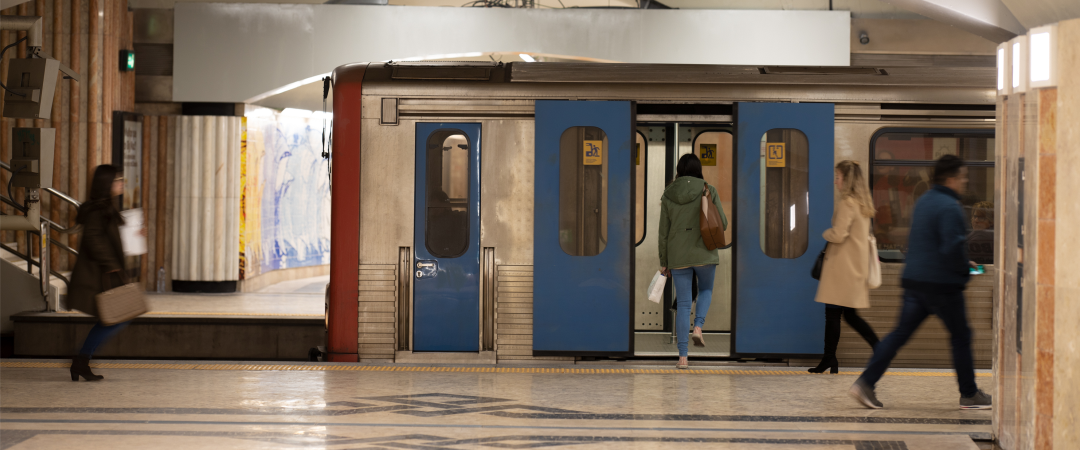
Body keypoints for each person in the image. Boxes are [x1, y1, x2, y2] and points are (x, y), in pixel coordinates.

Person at [848, 155, 992, 410]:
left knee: (898, 335)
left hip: (914, 282)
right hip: (942, 286)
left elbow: (924, 243)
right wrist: (963, 272)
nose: (965, 181)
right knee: (961, 336)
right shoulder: (950, 206)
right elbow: (952, 248)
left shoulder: (924, 200)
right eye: (962, 177)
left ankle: (865, 383)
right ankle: (969, 394)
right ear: (951, 178)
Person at [808, 161, 879, 374]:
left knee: (833, 315)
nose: (835, 181)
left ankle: (830, 359)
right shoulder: (862, 204)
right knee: (848, 315)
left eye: (838, 177)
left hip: (842, 270)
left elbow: (838, 235)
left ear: (846, 180)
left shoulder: (848, 202)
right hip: (853, 269)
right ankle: (831, 358)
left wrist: (825, 233)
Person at [658, 154, 727, 369]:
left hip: (678, 255)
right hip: (704, 252)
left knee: (684, 304)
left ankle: (683, 358)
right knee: (705, 290)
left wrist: (664, 260)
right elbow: (722, 223)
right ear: (698, 169)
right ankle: (698, 327)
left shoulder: (668, 194)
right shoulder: (708, 190)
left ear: (678, 170)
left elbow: (664, 232)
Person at [67, 165, 131, 381]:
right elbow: (93, 239)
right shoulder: (97, 211)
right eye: (117, 179)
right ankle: (81, 361)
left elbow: (109, 239)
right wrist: (111, 263)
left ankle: (81, 362)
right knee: (116, 318)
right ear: (107, 184)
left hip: (105, 273)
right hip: (99, 274)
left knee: (114, 318)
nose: (122, 182)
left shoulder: (106, 208)